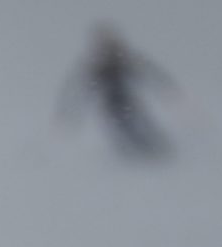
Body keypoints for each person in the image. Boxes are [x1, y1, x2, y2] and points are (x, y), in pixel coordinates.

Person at [60, 25, 178, 159]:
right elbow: (77, 89)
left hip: (125, 100)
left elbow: (150, 71)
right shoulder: (101, 64)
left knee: (140, 123)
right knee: (125, 128)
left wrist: (166, 88)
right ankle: (140, 151)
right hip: (113, 103)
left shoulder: (119, 60)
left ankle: (155, 148)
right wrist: (69, 113)